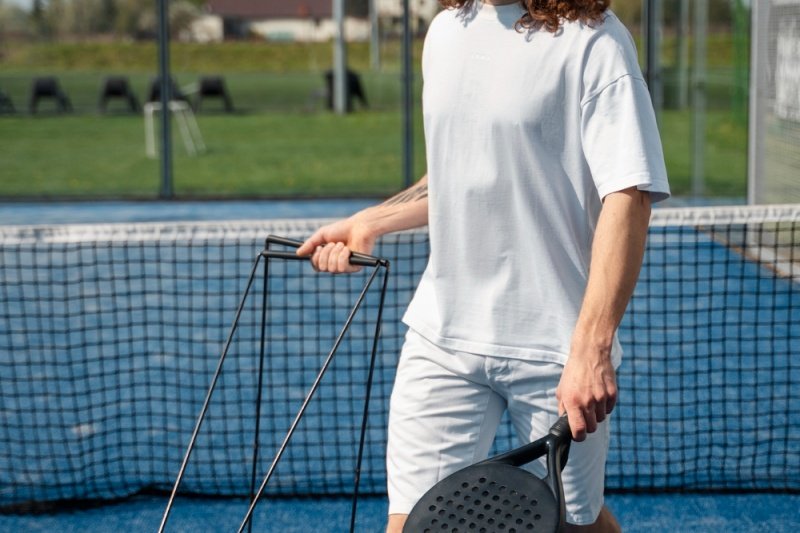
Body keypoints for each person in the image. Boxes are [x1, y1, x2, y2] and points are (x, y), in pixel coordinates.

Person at [297, 0, 670, 531]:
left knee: (574, 524)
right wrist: (374, 220)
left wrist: (591, 349)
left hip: (553, 350)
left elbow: (628, 194)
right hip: (442, 338)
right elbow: (463, 164)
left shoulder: (596, 41)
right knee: (413, 524)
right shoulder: (447, 31)